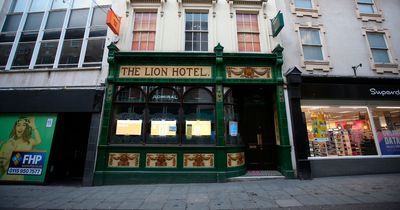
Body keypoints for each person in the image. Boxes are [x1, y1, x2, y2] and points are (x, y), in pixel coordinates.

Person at [0, 116, 42, 181]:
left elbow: (38, 141)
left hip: (19, 177)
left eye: (24, 125)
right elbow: (2, 164)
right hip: (8, 174)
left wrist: (33, 127)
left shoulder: (29, 141)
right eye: (18, 125)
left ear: (27, 128)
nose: (20, 127)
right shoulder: (9, 142)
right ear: (15, 127)